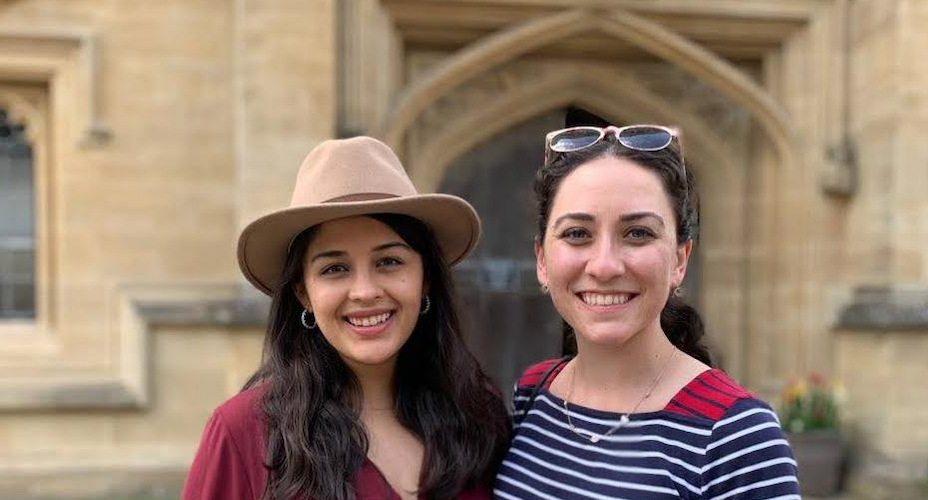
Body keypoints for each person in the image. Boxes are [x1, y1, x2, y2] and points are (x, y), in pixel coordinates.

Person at [494, 110, 800, 500]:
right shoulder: (533, 394)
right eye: (577, 234)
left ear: (680, 260)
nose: (604, 265)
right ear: (542, 259)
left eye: (638, 233)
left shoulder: (736, 436)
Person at [182, 136, 510, 500]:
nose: (365, 291)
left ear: (426, 278)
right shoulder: (243, 433)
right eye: (335, 268)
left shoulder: (480, 416)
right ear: (302, 293)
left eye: (389, 262)